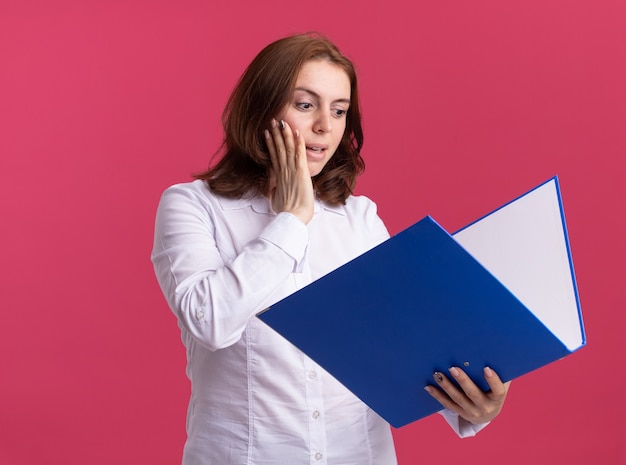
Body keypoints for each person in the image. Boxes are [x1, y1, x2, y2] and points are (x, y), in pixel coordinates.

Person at [151, 32, 510, 465]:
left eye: (339, 111)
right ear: (261, 108)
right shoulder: (192, 205)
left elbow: (403, 342)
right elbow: (209, 323)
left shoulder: (359, 219)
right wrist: (290, 222)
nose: (325, 125)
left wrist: (474, 405)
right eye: (306, 105)